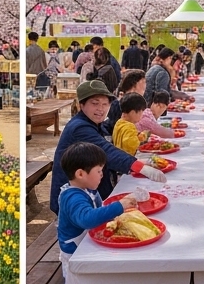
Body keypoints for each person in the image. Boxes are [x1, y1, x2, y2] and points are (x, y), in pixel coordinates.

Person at [49, 80, 167, 216]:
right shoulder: (80, 128)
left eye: (105, 104)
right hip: (72, 201)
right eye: (95, 103)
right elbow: (106, 150)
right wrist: (141, 167)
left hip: (89, 190)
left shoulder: (94, 123)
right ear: (82, 105)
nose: (101, 109)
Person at [56, 141, 139, 284]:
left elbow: (99, 209)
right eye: (99, 171)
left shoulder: (85, 189)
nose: (102, 175)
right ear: (80, 174)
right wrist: (119, 206)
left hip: (87, 243)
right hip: (76, 253)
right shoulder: (73, 197)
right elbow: (87, 219)